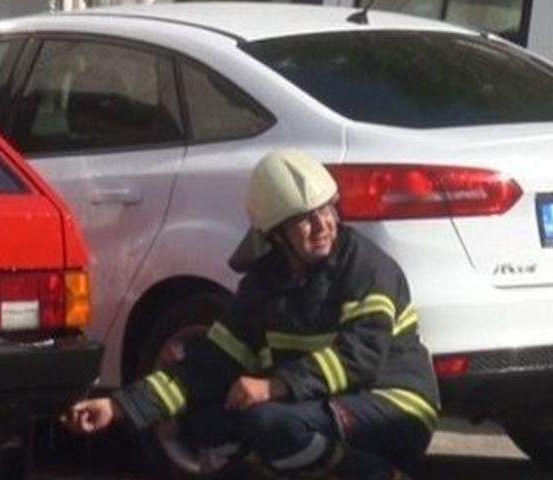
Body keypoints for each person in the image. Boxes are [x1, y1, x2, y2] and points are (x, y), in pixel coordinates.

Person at [61, 150, 440, 479]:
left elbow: (359, 360)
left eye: (326, 209)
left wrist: (274, 387)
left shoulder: (366, 268)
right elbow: (206, 366)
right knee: (197, 423)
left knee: (269, 423)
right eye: (303, 219)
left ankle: (373, 475)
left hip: (395, 407)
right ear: (275, 233)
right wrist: (119, 406)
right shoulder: (262, 285)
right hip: (317, 405)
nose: (323, 225)